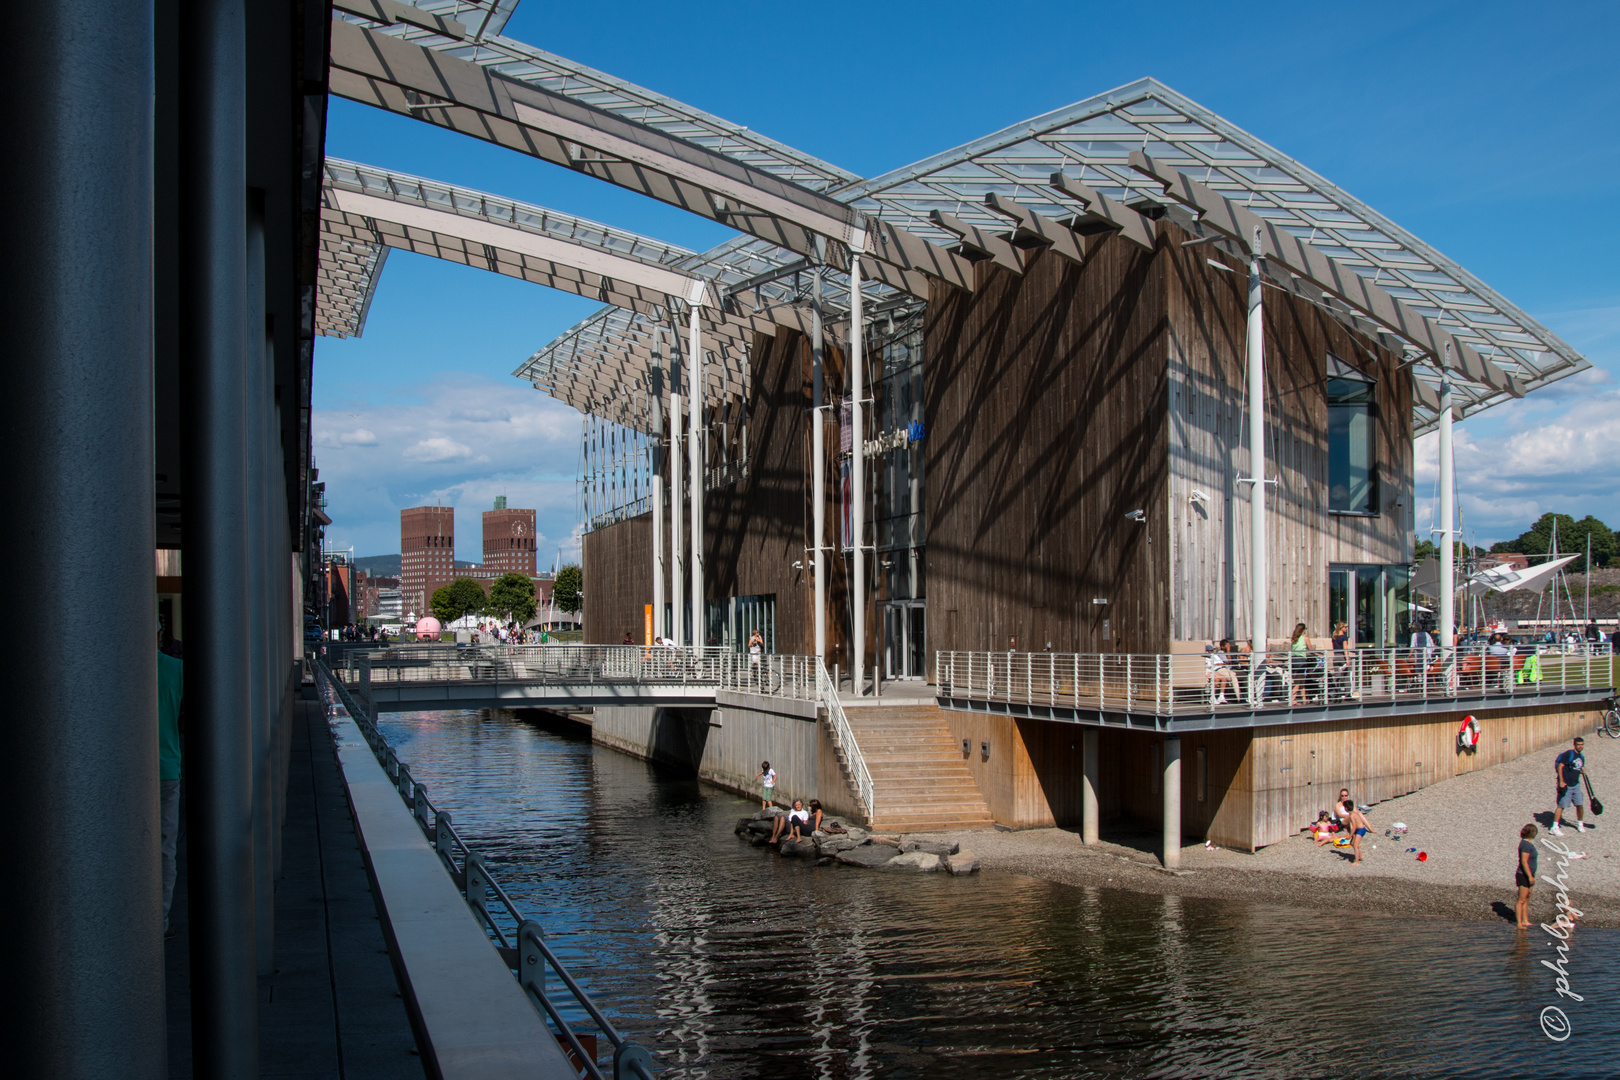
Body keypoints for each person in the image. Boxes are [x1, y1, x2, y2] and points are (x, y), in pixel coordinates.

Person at [158, 642, 184, 936]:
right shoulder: (175, 669)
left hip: (125, 775)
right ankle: (159, 922)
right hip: (166, 769)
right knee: (165, 849)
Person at [1551, 736, 1589, 835]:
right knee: (1561, 805)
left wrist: (1581, 771)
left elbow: (1576, 768)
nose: (1580, 746)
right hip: (1566, 785)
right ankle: (1554, 827)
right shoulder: (1568, 754)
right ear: (1574, 745)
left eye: (1582, 745)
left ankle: (1580, 824)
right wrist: (1561, 781)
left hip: (1576, 785)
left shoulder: (1581, 757)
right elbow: (1560, 766)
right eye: (1578, 745)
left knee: (1579, 804)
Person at [1515, 823, 1539, 929]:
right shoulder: (1525, 845)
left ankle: (1525, 920)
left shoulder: (1529, 844)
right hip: (1524, 875)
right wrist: (1529, 876)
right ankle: (1519, 923)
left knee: (1527, 898)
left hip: (1530, 874)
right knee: (1521, 899)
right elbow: (1524, 862)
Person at [1340, 799, 1372, 864]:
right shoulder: (1353, 813)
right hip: (1357, 830)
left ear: (1346, 808)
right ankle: (1360, 856)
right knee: (1352, 843)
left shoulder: (1352, 815)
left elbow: (1354, 826)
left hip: (1361, 830)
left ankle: (1356, 861)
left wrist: (1350, 835)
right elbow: (1352, 827)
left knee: (1355, 845)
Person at [1289, 622, 1314, 705]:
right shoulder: (1305, 638)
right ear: (1304, 630)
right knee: (1298, 681)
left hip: (1294, 659)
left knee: (1302, 680)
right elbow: (1311, 649)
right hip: (1301, 660)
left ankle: (1304, 699)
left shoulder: (1294, 638)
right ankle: (1292, 699)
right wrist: (1315, 654)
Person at [1208, 640, 1239, 704]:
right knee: (1232, 677)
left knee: (1233, 675)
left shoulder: (1215, 655)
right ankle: (1239, 698)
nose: (1212, 651)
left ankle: (1241, 696)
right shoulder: (1220, 653)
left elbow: (1233, 661)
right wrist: (1228, 651)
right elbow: (1228, 661)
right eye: (1227, 646)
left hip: (1227, 668)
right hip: (1220, 669)